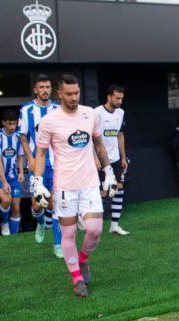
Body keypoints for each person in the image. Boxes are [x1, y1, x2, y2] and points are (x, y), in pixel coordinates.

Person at [32, 73, 116, 297]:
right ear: (59, 94)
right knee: (68, 235)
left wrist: (108, 171)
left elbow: (99, 144)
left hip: (89, 183)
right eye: (68, 94)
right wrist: (38, 182)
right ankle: (77, 278)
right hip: (64, 187)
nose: (73, 97)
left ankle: (82, 260)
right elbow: (40, 153)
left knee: (95, 230)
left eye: (76, 93)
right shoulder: (49, 121)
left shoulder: (90, 114)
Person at [19, 74, 64, 258]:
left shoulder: (58, 109)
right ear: (35, 90)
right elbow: (23, 137)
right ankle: (39, 222)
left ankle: (57, 244)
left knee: (56, 204)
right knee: (37, 205)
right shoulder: (27, 109)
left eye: (48, 87)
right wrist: (30, 158)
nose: (45, 90)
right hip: (37, 166)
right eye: (41, 87)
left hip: (55, 165)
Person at [94, 85, 131, 236]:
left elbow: (120, 135)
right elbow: (91, 137)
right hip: (101, 160)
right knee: (102, 193)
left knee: (119, 189)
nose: (120, 101)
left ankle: (114, 225)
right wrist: (95, 158)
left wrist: (123, 157)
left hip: (116, 159)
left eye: (121, 98)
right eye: (117, 98)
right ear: (109, 97)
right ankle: (92, 225)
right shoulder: (96, 113)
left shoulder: (121, 113)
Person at [0, 109, 24, 236]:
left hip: (13, 176)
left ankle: (14, 236)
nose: (12, 127)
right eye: (10, 124)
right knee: (6, 200)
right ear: (3, 123)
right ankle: (4, 223)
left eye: (14, 124)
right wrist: (4, 181)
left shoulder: (18, 137)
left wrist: (21, 172)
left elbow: (21, 155)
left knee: (16, 207)